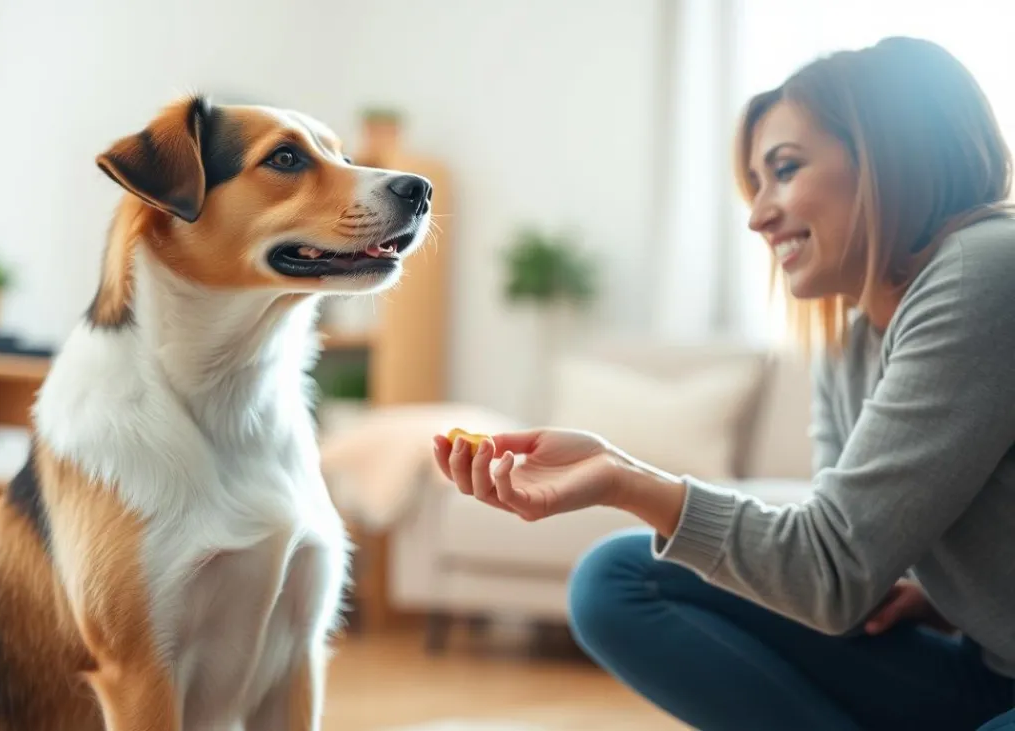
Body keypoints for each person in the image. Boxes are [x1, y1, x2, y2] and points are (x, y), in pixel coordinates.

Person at [431, 36, 1015, 731]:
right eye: (755, 184)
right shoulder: (847, 342)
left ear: (891, 155)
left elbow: (827, 569)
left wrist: (621, 477)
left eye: (785, 169)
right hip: (987, 672)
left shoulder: (986, 267)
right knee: (622, 577)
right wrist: (939, 598)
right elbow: (847, 584)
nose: (758, 214)